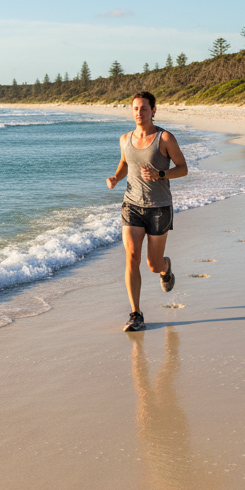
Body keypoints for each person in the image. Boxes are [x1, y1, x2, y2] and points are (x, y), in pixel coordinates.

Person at [106, 91, 188, 331]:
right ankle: (136, 314)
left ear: (153, 110)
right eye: (135, 108)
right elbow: (125, 163)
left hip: (159, 207)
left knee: (153, 264)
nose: (139, 113)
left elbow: (183, 168)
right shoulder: (125, 139)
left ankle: (165, 267)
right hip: (131, 205)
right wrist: (116, 178)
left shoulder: (165, 138)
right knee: (132, 256)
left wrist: (160, 174)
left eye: (143, 108)